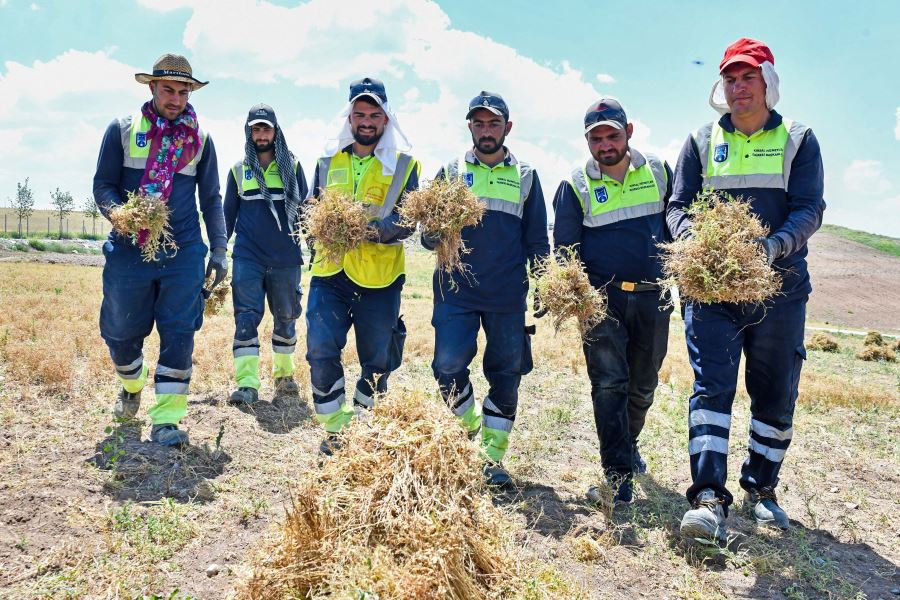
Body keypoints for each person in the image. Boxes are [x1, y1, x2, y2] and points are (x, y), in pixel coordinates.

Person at [667, 38, 825, 540]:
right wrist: (697, 242)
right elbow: (677, 206)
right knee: (711, 387)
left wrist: (772, 247)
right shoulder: (699, 140)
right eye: (731, 79)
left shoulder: (799, 140)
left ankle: (762, 489)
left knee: (775, 391)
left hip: (778, 288)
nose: (738, 88)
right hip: (711, 292)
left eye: (748, 78)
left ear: (767, 84)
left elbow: (809, 208)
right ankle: (709, 498)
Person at [93, 53, 227, 447]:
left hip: (182, 249)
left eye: (183, 91)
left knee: (180, 330)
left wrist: (218, 249)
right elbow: (103, 185)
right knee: (119, 329)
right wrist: (120, 214)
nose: (176, 98)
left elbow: (212, 198)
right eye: (168, 89)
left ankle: (167, 419)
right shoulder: (121, 130)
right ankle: (131, 383)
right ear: (151, 88)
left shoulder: (201, 140)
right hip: (130, 248)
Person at [425, 92, 549, 488]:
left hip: (507, 294)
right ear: (470, 128)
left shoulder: (526, 175)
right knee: (446, 365)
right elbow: (430, 234)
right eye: (478, 123)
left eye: (493, 123)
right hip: (454, 289)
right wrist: (430, 232)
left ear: (507, 128)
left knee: (507, 374)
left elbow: (536, 239)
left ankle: (490, 457)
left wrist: (544, 280)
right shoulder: (451, 170)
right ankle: (466, 422)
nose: (485, 130)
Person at [553, 98, 673, 505]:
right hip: (600, 302)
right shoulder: (575, 185)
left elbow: (675, 226)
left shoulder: (658, 171)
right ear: (587, 140)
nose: (605, 144)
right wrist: (576, 295)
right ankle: (617, 470)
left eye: (612, 135)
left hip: (653, 297)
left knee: (643, 384)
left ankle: (629, 442)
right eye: (596, 138)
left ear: (629, 132)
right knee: (609, 383)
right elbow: (566, 251)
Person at [305, 77, 421, 453]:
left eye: (375, 114)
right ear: (349, 117)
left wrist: (374, 232)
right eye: (360, 114)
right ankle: (337, 431)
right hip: (330, 273)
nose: (367, 121)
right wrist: (313, 232)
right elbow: (310, 209)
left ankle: (365, 427)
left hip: (380, 277)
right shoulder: (327, 161)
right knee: (320, 351)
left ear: (386, 120)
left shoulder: (404, 165)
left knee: (377, 360)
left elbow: (407, 219)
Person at [224, 104, 308, 406]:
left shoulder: (294, 167)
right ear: (249, 132)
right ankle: (246, 384)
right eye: (255, 129)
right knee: (246, 318)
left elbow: (305, 214)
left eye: (266, 128)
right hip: (248, 257)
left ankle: (284, 378)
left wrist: (315, 247)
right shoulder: (238, 169)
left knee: (286, 318)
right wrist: (219, 254)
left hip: (286, 258)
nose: (261, 134)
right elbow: (227, 217)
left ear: (276, 131)